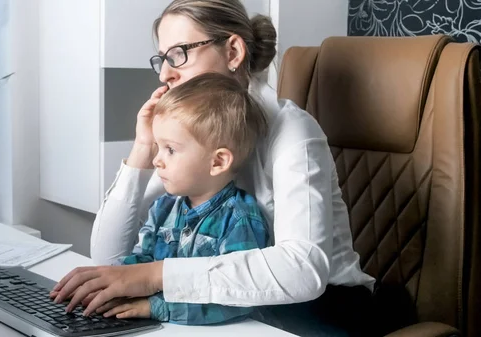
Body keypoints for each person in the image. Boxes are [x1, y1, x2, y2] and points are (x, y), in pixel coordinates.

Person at [51, 0, 377, 335]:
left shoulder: (293, 130)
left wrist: (153, 275)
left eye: (179, 53)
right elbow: (109, 261)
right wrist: (143, 147)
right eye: (162, 59)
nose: (165, 73)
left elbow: (303, 271)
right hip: (239, 304)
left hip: (325, 308)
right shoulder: (186, 140)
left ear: (233, 52)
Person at [96, 72, 270, 325]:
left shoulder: (240, 218)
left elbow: (237, 298)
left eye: (170, 149)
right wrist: (113, 287)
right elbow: (142, 260)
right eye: (158, 146)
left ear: (218, 161)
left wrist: (156, 307)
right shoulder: (164, 207)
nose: (157, 160)